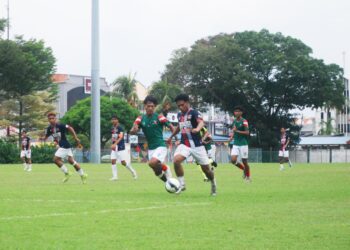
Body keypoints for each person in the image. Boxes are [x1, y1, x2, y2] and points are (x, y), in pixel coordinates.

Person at [168, 93, 217, 196]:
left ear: (187, 103)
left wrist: (197, 129)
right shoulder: (179, 115)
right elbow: (179, 127)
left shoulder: (194, 113)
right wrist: (171, 136)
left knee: (206, 170)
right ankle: (182, 185)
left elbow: (201, 122)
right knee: (176, 161)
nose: (180, 107)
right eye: (178, 106)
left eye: (182, 105)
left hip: (197, 146)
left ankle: (213, 183)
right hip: (184, 144)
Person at [130, 95, 175, 184]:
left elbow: (172, 127)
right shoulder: (140, 118)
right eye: (148, 106)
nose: (150, 108)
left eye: (152, 106)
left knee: (151, 163)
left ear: (154, 107)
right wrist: (133, 130)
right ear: (145, 106)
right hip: (151, 148)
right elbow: (132, 131)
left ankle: (167, 171)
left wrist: (171, 138)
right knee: (157, 172)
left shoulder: (159, 117)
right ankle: (168, 183)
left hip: (160, 146)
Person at [42, 112, 88, 184]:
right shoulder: (49, 129)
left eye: (53, 118)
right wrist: (42, 138)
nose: (51, 120)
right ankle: (83, 174)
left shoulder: (60, 125)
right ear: (48, 120)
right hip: (63, 146)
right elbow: (46, 136)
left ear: (55, 118)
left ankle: (67, 173)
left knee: (55, 159)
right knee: (71, 161)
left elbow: (70, 128)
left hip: (65, 145)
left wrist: (75, 137)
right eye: (50, 119)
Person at [110, 115, 137, 180]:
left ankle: (133, 171)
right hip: (114, 147)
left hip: (120, 146)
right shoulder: (112, 128)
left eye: (114, 119)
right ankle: (115, 177)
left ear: (117, 120)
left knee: (123, 162)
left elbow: (121, 137)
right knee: (113, 161)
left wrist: (115, 144)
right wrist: (112, 144)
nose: (113, 121)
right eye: (112, 119)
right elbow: (114, 137)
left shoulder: (120, 128)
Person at [229, 105, 251, 182]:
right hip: (236, 143)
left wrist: (237, 131)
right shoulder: (234, 121)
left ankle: (248, 177)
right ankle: (244, 169)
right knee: (233, 160)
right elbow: (234, 131)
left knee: (244, 161)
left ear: (241, 113)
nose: (236, 112)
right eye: (235, 111)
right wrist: (232, 136)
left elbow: (247, 132)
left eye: (238, 111)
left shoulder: (244, 121)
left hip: (243, 144)